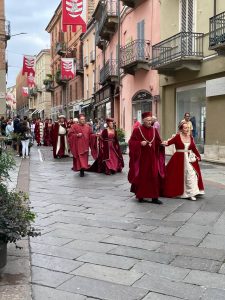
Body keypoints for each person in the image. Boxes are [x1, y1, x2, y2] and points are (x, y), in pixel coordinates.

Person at [128, 112, 165, 204]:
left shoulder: (154, 130)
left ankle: (154, 197)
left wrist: (161, 144)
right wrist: (139, 143)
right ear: (143, 121)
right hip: (142, 159)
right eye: (148, 120)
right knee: (143, 176)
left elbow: (157, 141)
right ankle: (141, 195)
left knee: (154, 176)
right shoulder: (137, 130)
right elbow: (131, 142)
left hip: (153, 158)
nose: (150, 122)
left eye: (150, 120)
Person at [162, 121, 204, 201]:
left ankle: (191, 193)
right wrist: (163, 143)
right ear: (181, 129)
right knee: (178, 176)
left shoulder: (190, 137)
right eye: (185, 128)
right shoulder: (177, 137)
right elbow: (168, 143)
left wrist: (198, 156)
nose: (187, 129)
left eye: (188, 128)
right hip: (178, 158)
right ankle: (182, 193)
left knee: (191, 174)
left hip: (189, 158)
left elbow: (193, 148)